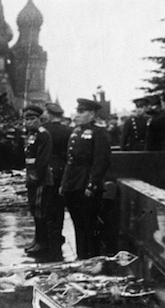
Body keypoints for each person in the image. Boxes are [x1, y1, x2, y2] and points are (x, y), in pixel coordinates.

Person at [60, 98, 111, 259]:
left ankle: (93, 258)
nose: (78, 115)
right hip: (73, 184)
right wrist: (64, 183)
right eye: (78, 111)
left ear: (92, 114)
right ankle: (81, 256)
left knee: (90, 223)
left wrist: (92, 184)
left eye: (82, 112)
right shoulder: (75, 132)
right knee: (78, 222)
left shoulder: (99, 132)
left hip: (86, 184)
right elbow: (70, 161)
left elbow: (100, 161)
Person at [21, 106, 54, 259]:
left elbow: (43, 158)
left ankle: (43, 242)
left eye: (32, 119)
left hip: (40, 178)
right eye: (26, 119)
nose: (29, 122)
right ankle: (37, 239)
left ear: (39, 119)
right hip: (31, 176)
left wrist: (35, 176)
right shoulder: (30, 135)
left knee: (40, 210)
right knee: (34, 209)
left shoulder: (43, 135)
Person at [42, 103, 73, 260]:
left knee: (47, 206)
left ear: (48, 113)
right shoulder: (68, 130)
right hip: (62, 172)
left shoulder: (42, 130)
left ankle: (49, 237)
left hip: (46, 172)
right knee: (59, 206)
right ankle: (58, 235)